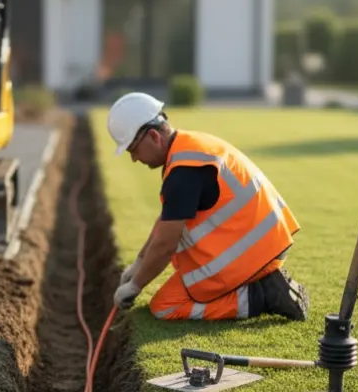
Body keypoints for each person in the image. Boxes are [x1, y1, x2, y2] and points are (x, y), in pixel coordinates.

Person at [107, 92, 309, 321]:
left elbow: (165, 245)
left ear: (154, 136)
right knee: (178, 292)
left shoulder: (184, 172)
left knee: (165, 306)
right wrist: (139, 263)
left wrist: (135, 286)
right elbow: (166, 221)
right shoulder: (187, 150)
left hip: (254, 256)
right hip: (264, 244)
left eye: (133, 150)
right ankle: (262, 286)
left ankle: (262, 295)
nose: (134, 158)